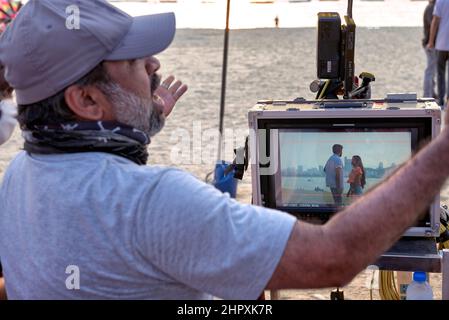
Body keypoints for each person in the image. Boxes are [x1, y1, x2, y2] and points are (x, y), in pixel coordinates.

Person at [2, 0, 449, 300]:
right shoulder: (153, 201)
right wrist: (441, 151)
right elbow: (334, 257)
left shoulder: (19, 175)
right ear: (86, 101)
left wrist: (132, 123)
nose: (155, 65)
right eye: (136, 62)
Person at [428, 0, 449, 107]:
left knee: (440, 74)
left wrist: (431, 41)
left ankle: (441, 101)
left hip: (441, 44)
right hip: (442, 44)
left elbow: (435, 21)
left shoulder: (440, 1)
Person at [423, 0, 437, 99]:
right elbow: (433, 25)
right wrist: (431, 42)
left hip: (431, 42)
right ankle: (428, 94)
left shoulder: (431, 6)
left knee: (432, 70)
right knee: (430, 70)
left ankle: (431, 92)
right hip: (431, 43)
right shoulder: (431, 7)